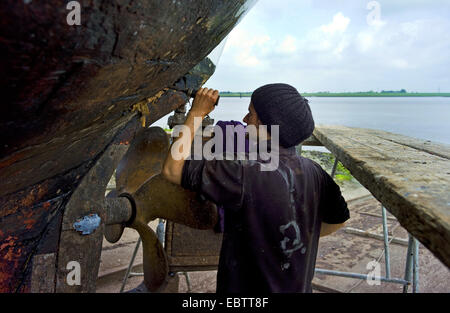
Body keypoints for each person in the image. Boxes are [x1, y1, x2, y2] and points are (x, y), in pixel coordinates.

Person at [162, 83, 349, 293]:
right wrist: (289, 240)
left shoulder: (243, 172)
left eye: (250, 114)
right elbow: (338, 220)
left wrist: (197, 112)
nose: (244, 120)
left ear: (265, 124)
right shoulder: (316, 172)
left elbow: (172, 169)